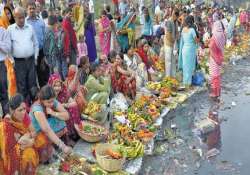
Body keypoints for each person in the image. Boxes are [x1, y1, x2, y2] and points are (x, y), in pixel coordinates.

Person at [0, 94, 52, 175]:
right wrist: (19, 145)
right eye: (20, 110)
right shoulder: (5, 126)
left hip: (25, 140)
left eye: (24, 109)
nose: (23, 112)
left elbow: (33, 131)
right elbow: (6, 152)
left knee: (43, 138)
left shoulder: (25, 116)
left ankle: (40, 161)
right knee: (28, 155)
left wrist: (30, 139)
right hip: (12, 153)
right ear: (11, 110)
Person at [29, 85, 72, 154]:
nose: (51, 104)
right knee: (58, 123)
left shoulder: (51, 100)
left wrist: (53, 113)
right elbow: (47, 130)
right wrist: (63, 146)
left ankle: (56, 144)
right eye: (49, 102)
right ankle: (52, 147)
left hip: (46, 126)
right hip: (37, 131)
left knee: (61, 120)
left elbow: (67, 115)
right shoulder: (37, 109)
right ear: (42, 100)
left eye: (53, 101)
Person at [8, 7, 39, 101]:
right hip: (18, 62)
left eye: (23, 17)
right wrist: (12, 61)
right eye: (19, 18)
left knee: (32, 83)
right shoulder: (10, 29)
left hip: (30, 60)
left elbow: (36, 43)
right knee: (22, 86)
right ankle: (25, 107)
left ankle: (34, 105)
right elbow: (8, 47)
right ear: (15, 17)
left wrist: (36, 57)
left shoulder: (30, 27)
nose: (21, 20)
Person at [48, 73, 81, 139]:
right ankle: (67, 136)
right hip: (52, 116)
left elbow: (74, 103)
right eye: (55, 86)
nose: (57, 88)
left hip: (63, 114)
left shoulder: (63, 93)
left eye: (59, 86)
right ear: (50, 85)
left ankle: (74, 132)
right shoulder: (48, 95)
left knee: (73, 108)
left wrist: (64, 105)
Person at [26, 2, 47, 87]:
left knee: (42, 73)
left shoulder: (41, 22)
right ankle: (34, 95)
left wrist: (45, 53)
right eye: (30, 9)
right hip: (30, 53)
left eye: (33, 8)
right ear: (27, 10)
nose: (31, 10)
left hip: (41, 52)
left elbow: (44, 37)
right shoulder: (24, 23)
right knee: (32, 75)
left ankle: (44, 92)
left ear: (36, 9)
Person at [178, 15, 198, 88]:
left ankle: (185, 82)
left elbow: (182, 40)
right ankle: (188, 83)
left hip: (184, 49)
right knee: (189, 67)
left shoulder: (183, 29)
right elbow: (196, 41)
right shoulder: (192, 30)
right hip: (190, 50)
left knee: (185, 66)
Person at [209, 19, 226, 98]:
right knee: (218, 75)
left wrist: (209, 44)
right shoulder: (222, 34)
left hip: (214, 57)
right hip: (220, 56)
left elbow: (211, 46)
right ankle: (218, 91)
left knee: (214, 76)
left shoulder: (215, 35)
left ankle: (215, 93)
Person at [0, 27, 13, 115]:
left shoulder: (3, 32)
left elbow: (7, 49)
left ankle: (7, 116)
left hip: (0, 64)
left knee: (3, 90)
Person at [164, 9, 179, 77]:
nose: (176, 18)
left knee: (173, 61)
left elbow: (176, 32)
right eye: (175, 16)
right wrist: (173, 41)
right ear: (173, 15)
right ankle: (168, 76)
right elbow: (168, 34)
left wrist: (176, 39)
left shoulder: (175, 22)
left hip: (173, 43)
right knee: (168, 61)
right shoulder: (169, 22)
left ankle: (173, 76)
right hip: (168, 43)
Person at [56, 15, 68, 80]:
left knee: (64, 68)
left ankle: (65, 81)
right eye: (58, 22)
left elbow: (67, 43)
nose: (59, 23)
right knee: (59, 68)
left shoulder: (64, 31)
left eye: (61, 21)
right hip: (57, 53)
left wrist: (67, 53)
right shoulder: (54, 31)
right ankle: (62, 80)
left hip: (64, 53)